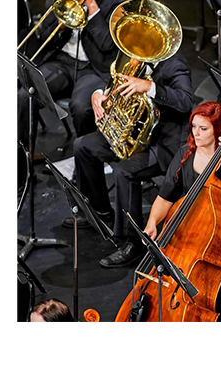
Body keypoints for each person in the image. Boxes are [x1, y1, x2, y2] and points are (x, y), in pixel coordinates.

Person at [68, 52, 195, 268]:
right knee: (83, 146)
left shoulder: (175, 63)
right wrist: (98, 94)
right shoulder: (133, 55)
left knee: (124, 171)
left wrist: (149, 87)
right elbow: (109, 77)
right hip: (133, 132)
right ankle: (100, 211)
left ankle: (133, 243)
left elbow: (185, 101)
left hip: (163, 143)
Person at [142, 101, 221, 320]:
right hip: (194, 230)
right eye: (194, 127)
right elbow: (165, 197)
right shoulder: (186, 153)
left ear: (218, 130)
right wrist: (152, 223)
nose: (196, 133)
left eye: (203, 128)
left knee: (220, 288)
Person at [17, 0, 119, 141]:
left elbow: (108, 44)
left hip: (93, 69)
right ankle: (23, 152)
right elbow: (43, 36)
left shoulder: (113, 3)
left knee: (80, 107)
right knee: (26, 94)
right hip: (62, 62)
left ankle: (83, 150)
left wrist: (92, 8)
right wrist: (60, 26)